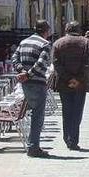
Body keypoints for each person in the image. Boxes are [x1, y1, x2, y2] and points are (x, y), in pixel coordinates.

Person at [51, 22, 89, 151]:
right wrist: (78, 79)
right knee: (77, 111)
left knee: (66, 111)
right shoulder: (87, 43)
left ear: (66, 29)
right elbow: (88, 65)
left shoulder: (58, 43)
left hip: (64, 83)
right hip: (80, 84)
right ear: (79, 29)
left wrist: (68, 78)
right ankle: (73, 139)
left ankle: (67, 138)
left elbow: (56, 64)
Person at [13, 20, 53, 157]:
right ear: (46, 31)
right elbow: (42, 63)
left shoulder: (23, 42)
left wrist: (21, 72)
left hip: (25, 84)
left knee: (32, 112)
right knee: (37, 115)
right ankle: (33, 147)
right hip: (37, 82)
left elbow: (14, 58)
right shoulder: (45, 44)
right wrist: (28, 74)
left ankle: (33, 145)